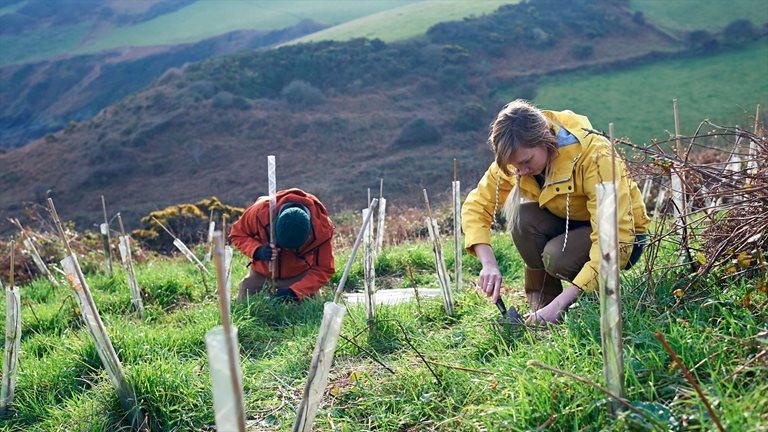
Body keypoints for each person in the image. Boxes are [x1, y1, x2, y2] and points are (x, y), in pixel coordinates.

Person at [462, 100, 650, 324]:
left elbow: (615, 243)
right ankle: (542, 307)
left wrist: (561, 304)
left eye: (526, 162)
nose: (521, 171)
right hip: (573, 222)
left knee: (556, 256)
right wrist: (489, 264)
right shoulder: (515, 162)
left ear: (545, 139)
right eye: (515, 166)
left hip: (625, 238)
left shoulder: (596, 156)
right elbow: (476, 205)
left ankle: (575, 303)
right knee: (523, 219)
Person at [229, 188, 335, 301]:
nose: (286, 250)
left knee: (312, 305)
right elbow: (238, 234)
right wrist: (258, 250)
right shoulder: (260, 212)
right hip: (262, 274)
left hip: (299, 276)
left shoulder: (322, 229)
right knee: (244, 302)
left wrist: (295, 291)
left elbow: (324, 269)